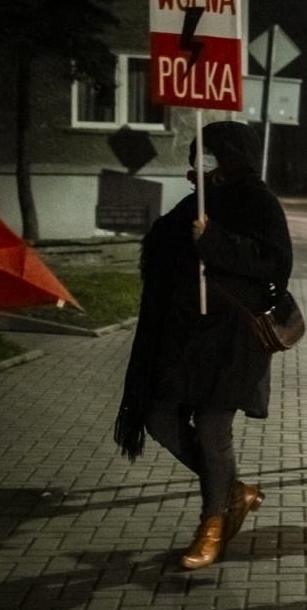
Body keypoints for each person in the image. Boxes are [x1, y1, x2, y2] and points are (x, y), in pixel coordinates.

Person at [115, 121, 292, 569]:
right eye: (197, 156)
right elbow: (162, 253)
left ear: (233, 157)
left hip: (233, 340)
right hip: (186, 337)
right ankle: (232, 491)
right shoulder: (195, 202)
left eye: (209, 155)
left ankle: (211, 524)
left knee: (214, 429)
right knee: (159, 418)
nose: (199, 165)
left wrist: (214, 240)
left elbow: (274, 264)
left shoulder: (259, 201)